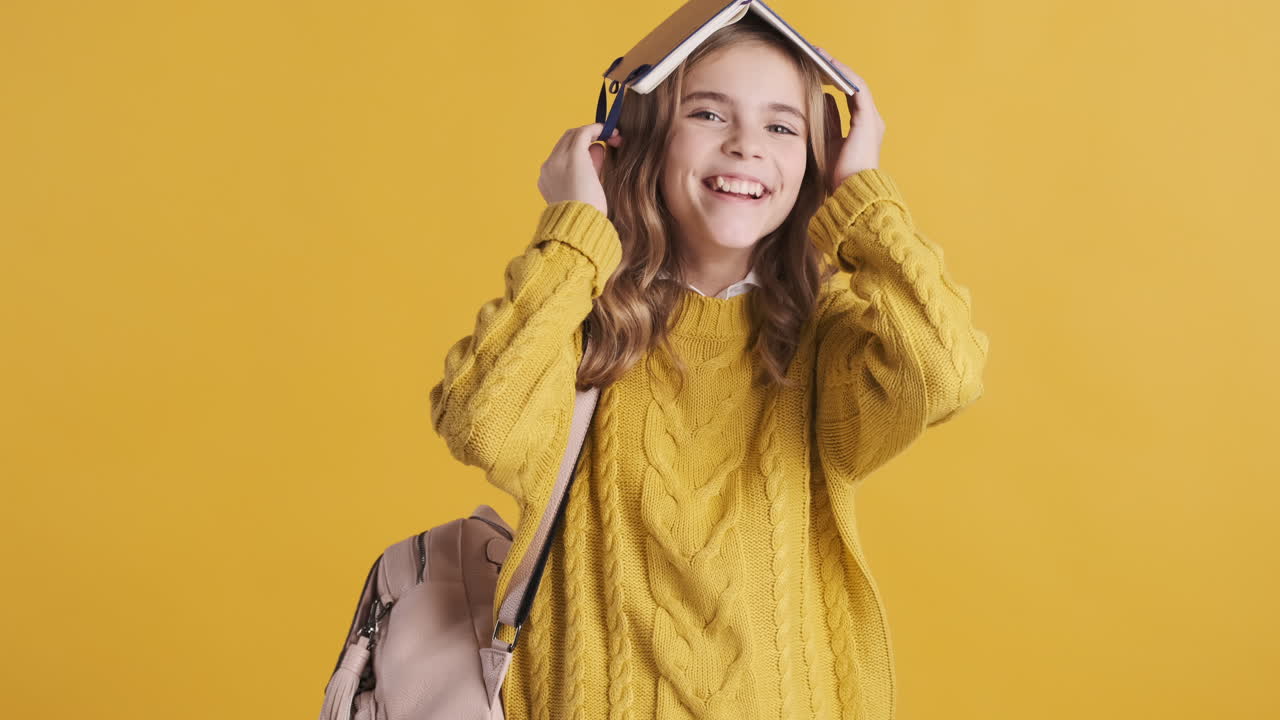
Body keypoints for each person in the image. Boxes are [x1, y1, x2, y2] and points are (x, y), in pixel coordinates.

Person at [429, 13, 990, 720]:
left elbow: (944, 371)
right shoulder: (581, 324)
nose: (746, 146)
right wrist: (575, 233)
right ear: (641, 140)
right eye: (707, 112)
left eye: (782, 128)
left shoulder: (828, 344)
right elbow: (479, 423)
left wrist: (865, 196)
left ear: (816, 163)